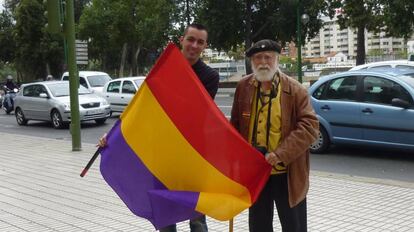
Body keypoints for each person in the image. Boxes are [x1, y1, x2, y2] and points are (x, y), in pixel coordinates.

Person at [98, 23, 219, 232]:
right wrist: (113, 134)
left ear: (205, 46)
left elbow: (192, 115)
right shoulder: (163, 68)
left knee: (197, 216)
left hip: (193, 155)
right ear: (181, 40)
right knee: (163, 211)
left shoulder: (209, 76)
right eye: (191, 39)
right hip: (161, 154)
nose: (194, 45)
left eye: (200, 42)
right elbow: (142, 108)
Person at [230, 39, 319, 232]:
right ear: (252, 61)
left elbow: (310, 127)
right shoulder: (243, 87)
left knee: (293, 226)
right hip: (256, 172)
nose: (263, 62)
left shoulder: (295, 90)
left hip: (287, 172)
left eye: (268, 57)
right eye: (258, 58)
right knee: (258, 225)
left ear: (277, 59)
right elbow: (235, 127)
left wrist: (279, 154)